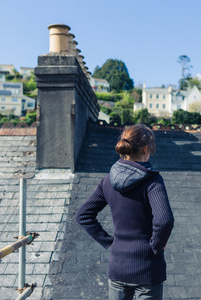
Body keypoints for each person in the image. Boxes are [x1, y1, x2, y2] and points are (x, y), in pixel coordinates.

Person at [76, 124, 174, 300]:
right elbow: (164, 220)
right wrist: (157, 245)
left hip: (118, 268)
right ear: (145, 149)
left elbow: (83, 215)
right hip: (147, 269)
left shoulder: (107, 181)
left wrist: (109, 242)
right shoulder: (152, 181)